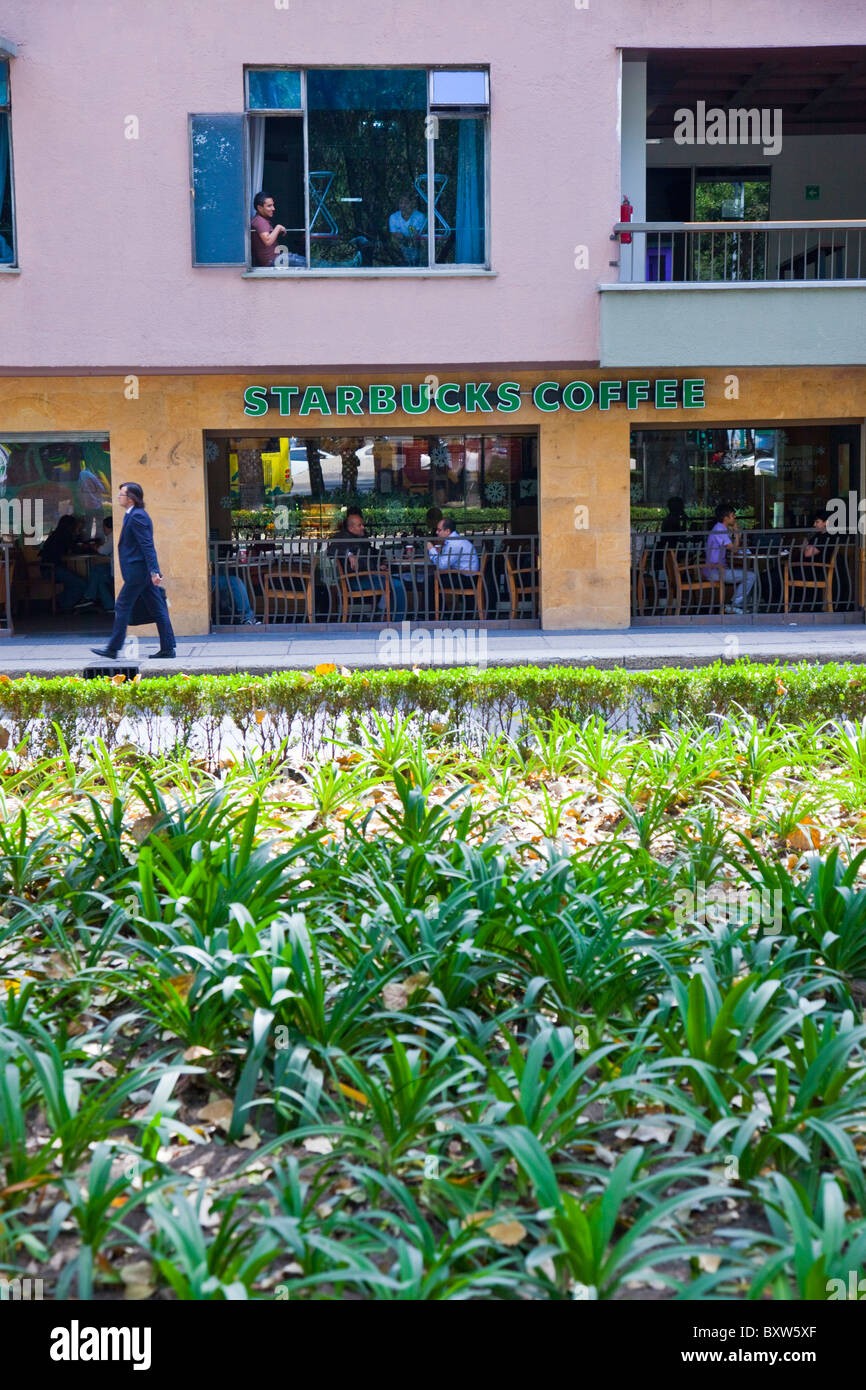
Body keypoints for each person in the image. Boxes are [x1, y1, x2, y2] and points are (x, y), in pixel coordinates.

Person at [91, 482, 176, 660]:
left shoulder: (137, 516)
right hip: (140, 572)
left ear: (131, 498)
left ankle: (113, 648)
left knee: (122, 605)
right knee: (158, 608)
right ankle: (168, 648)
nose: (118, 497)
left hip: (138, 572)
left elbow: (147, 545)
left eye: (122, 494)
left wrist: (154, 571)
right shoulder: (132, 515)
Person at [328, 507, 405, 619]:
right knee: (397, 585)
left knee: (396, 580)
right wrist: (349, 554)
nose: (363, 527)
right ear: (351, 527)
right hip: (356, 579)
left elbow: (369, 554)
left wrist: (380, 562)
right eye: (360, 525)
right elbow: (330, 550)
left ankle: (384, 615)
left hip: (367, 575)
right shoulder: (342, 537)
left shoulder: (360, 537)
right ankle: (396, 620)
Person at [703, 503, 754, 614]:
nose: (734, 517)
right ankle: (734, 605)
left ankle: (741, 604)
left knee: (749, 574)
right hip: (715, 570)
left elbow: (733, 548)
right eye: (732, 515)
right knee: (750, 576)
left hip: (718, 569)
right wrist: (736, 533)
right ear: (726, 518)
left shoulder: (720, 528)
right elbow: (735, 549)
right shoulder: (719, 530)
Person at [389, 194, 427, 266]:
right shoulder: (393, 217)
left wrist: (408, 238)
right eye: (401, 203)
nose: (403, 206)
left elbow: (418, 236)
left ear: (412, 204)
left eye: (406, 203)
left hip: (418, 249)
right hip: (400, 250)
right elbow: (395, 236)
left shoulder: (420, 216)